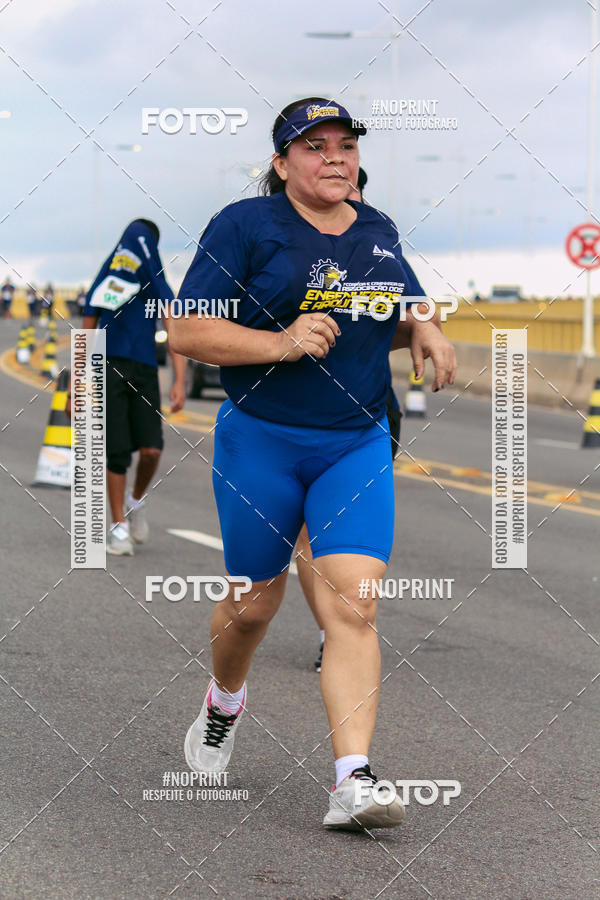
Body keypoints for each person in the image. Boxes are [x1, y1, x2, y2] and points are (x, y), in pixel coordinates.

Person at [170, 97, 455, 831]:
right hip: (260, 438)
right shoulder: (244, 226)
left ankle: (351, 780)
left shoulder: (380, 231)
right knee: (251, 606)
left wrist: (426, 328)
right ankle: (224, 702)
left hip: (354, 441)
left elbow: (402, 308)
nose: (334, 157)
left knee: (353, 606)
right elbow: (187, 329)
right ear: (282, 163)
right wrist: (279, 342)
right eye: (314, 146)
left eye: (344, 145)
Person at [295, 165, 405, 672]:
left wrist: (426, 329)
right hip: (289, 416)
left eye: (355, 190)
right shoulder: (290, 246)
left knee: (349, 535)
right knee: (304, 536)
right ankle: (330, 627)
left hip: (369, 411)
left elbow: (416, 310)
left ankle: (346, 620)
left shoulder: (379, 243)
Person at [82, 218, 187, 555]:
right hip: (108, 366)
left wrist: (179, 379)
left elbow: (173, 323)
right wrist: (79, 382)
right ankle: (118, 526)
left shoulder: (153, 278)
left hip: (143, 369)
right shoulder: (109, 270)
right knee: (116, 452)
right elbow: (88, 321)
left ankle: (135, 501)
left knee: (152, 449)